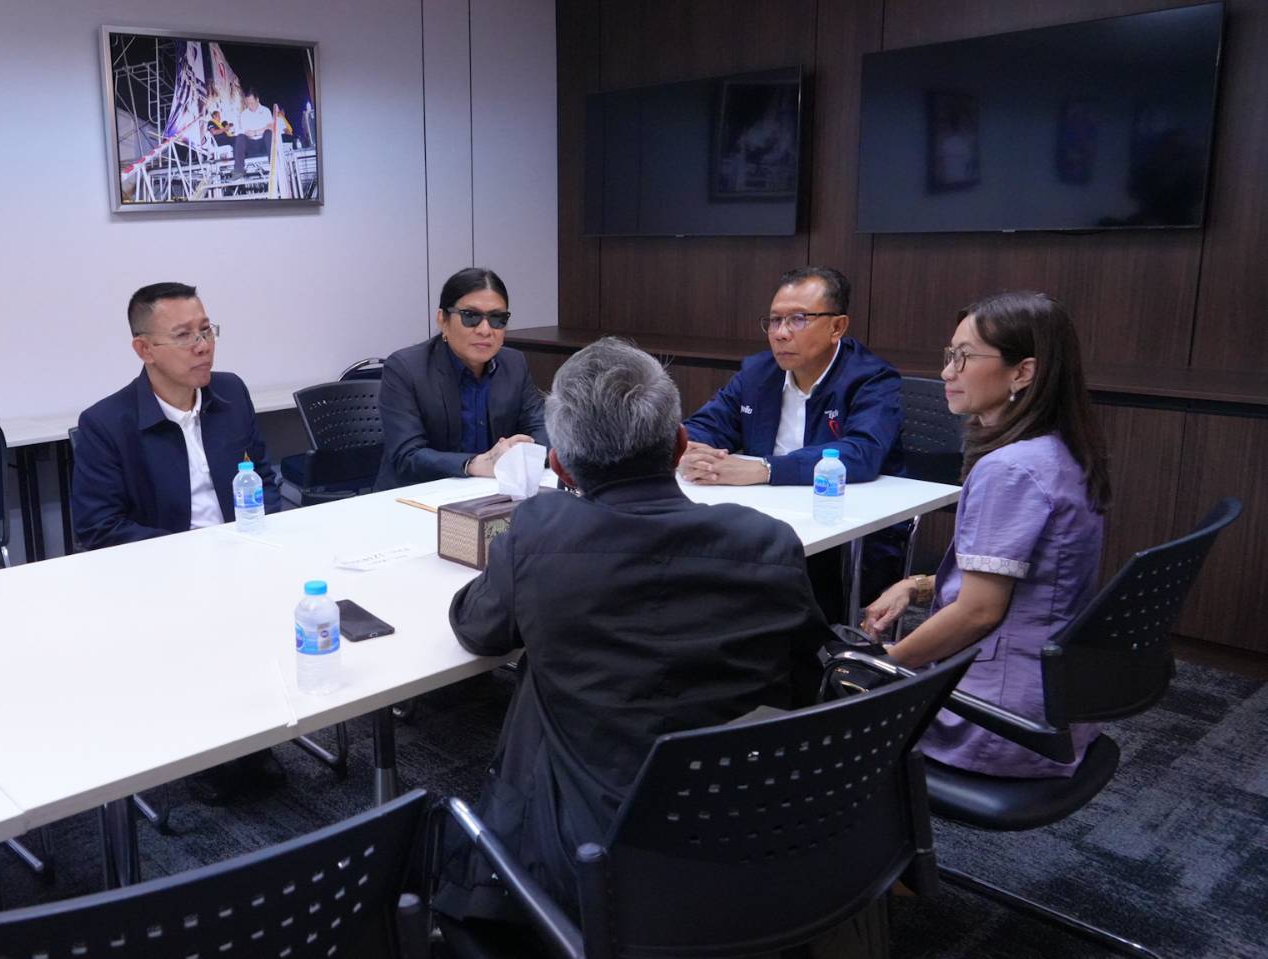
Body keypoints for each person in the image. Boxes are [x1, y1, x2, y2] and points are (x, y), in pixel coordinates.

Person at [435, 337, 831, 921]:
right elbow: (804, 678)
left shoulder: (541, 532)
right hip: (755, 831)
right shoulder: (767, 541)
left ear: (560, 466)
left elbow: (478, 630)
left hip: (592, 862)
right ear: (679, 445)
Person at [860, 291, 1110, 778]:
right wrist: (917, 585)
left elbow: (978, 612)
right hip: (1055, 702)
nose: (946, 372)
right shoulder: (1062, 450)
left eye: (964, 357)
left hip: (995, 720)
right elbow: (1028, 581)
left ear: (1023, 372)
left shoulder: (1010, 470)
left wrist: (887, 668)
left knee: (827, 700)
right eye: (949, 355)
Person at [680, 265, 904, 619]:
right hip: (768, 520)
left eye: (798, 319)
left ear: (837, 327)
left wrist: (764, 470)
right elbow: (704, 426)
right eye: (774, 321)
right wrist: (690, 454)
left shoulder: (871, 379)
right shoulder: (758, 373)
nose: (781, 334)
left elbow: (862, 453)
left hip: (843, 534)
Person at [72, 281, 280, 550]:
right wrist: (192, 550)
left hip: (248, 546)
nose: (203, 346)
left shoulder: (232, 391)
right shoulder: (105, 423)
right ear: (145, 350)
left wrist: (259, 536)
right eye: (183, 335)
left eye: (206, 331)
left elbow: (262, 478)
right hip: (165, 561)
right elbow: (100, 527)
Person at [375, 267, 548, 490]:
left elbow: (542, 429)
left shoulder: (514, 364)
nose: (485, 330)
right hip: (417, 495)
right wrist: (474, 464)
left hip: (492, 491)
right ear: (443, 320)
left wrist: (524, 450)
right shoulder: (405, 368)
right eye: (471, 317)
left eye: (497, 319)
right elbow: (407, 456)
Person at [229, 90, 275, 181]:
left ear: (257, 100)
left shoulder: (265, 111)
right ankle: (238, 171)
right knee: (240, 137)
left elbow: (270, 127)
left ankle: (273, 166)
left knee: (268, 133)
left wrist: (255, 132)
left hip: (264, 143)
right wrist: (257, 131)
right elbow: (246, 132)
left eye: (252, 103)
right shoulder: (244, 114)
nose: (250, 106)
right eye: (248, 103)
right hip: (251, 145)